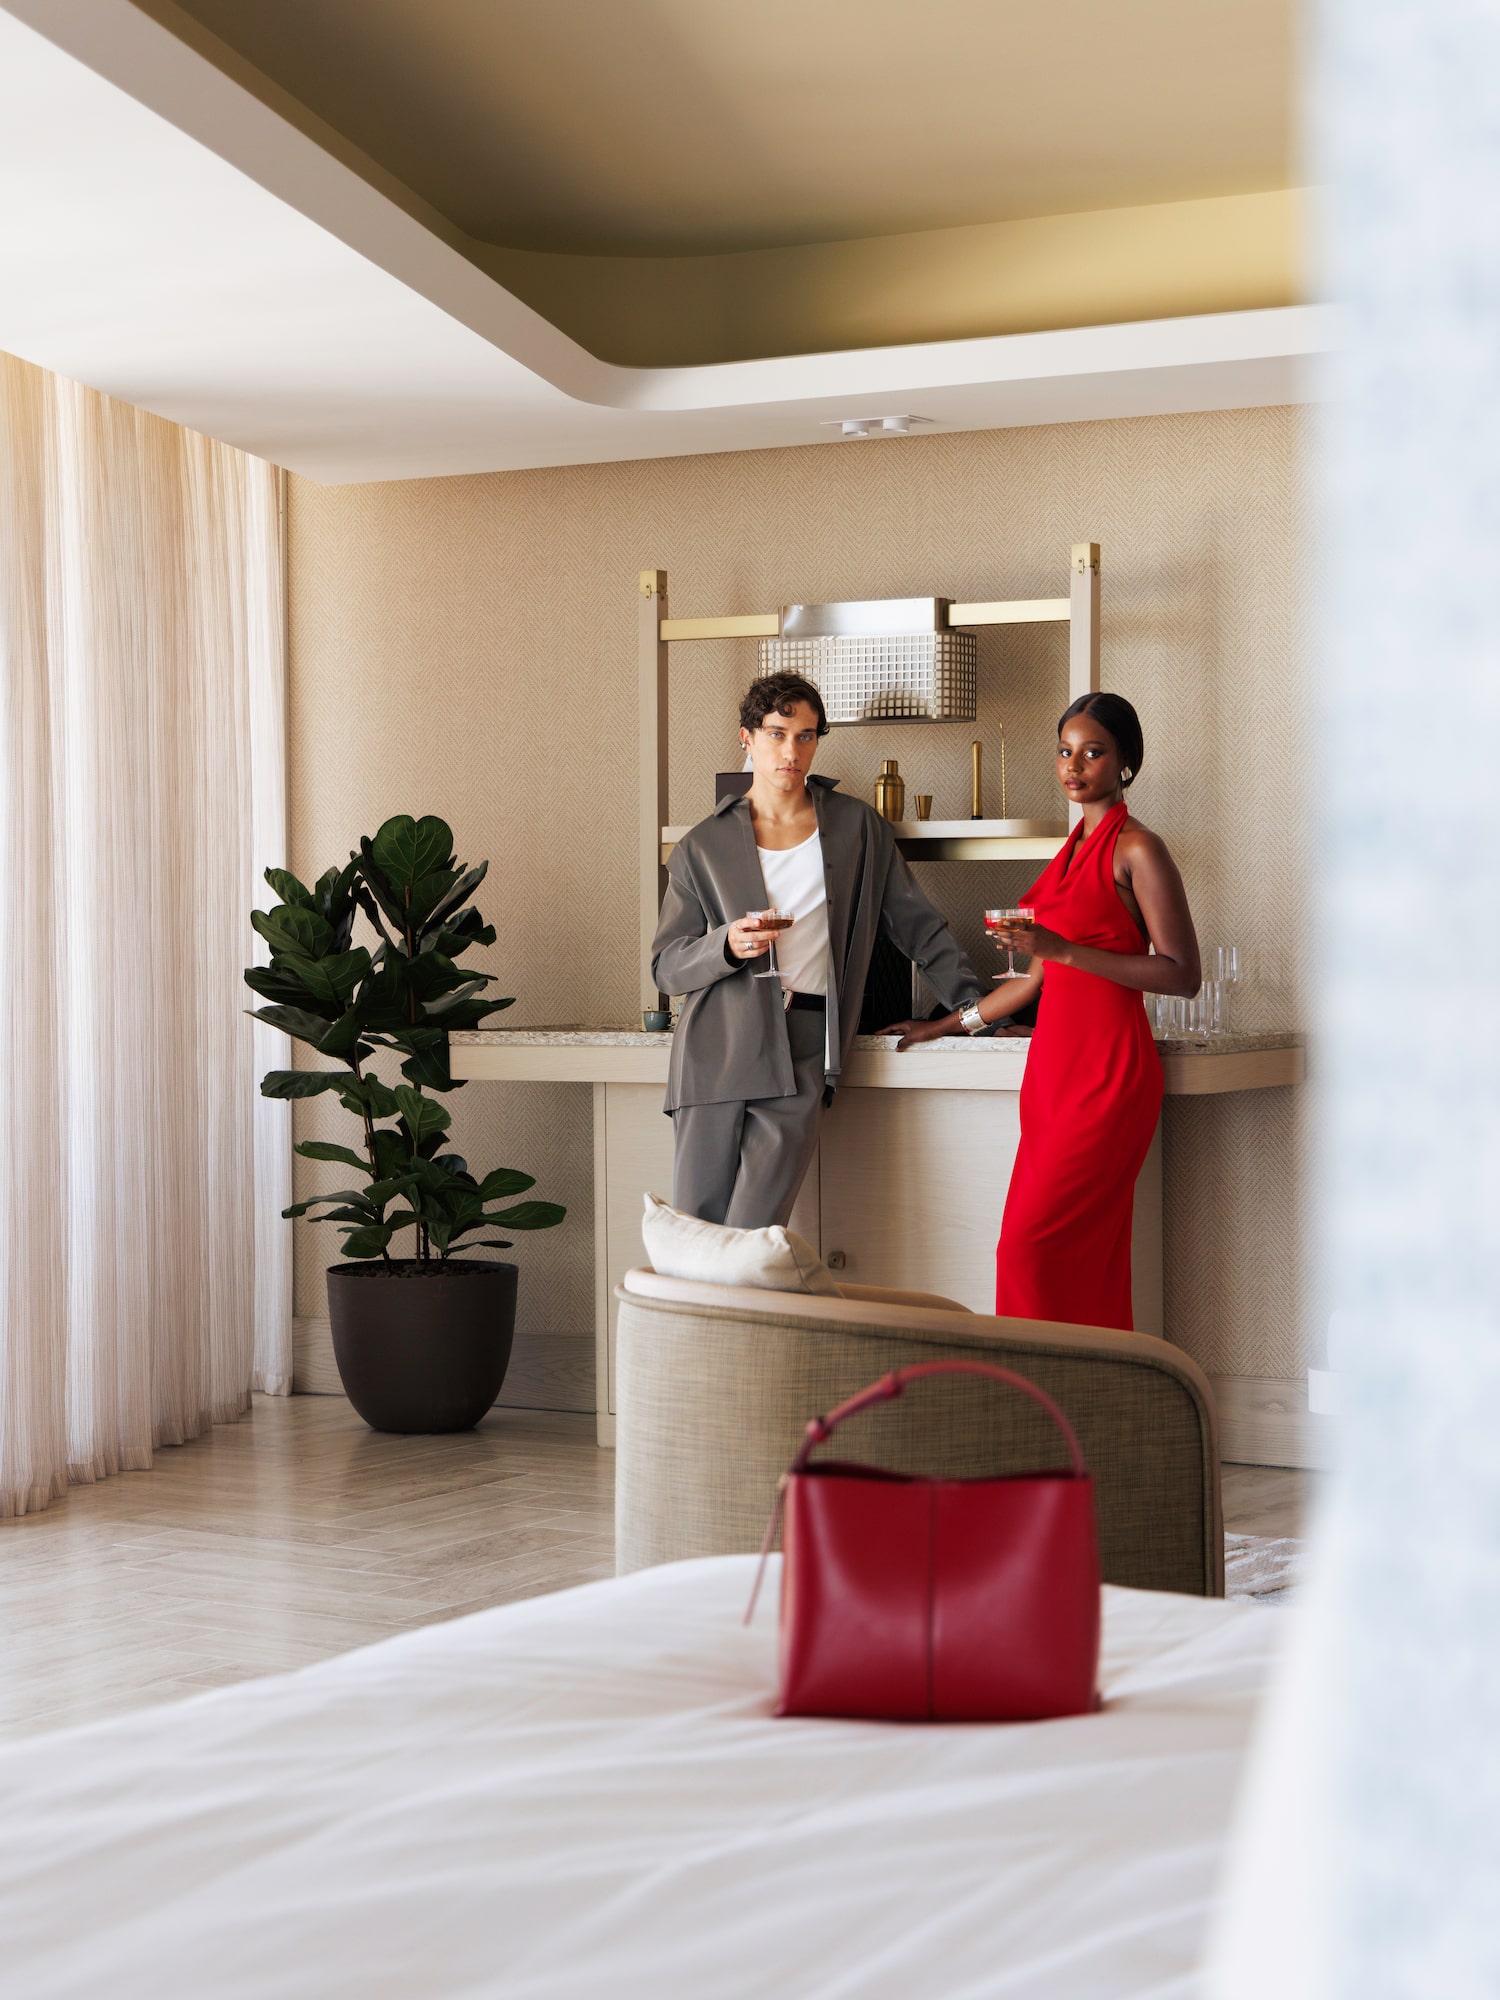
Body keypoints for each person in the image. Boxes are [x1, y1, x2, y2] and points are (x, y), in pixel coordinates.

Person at [884, 692, 1199, 1331]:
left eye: (1093, 751)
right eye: (1064, 751)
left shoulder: (1140, 849)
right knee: (1078, 1260)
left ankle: (1054, 1402)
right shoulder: (1072, 848)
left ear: (1126, 762)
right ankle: (1073, 1412)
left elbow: (1182, 974)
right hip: (1053, 1077)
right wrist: (945, 1024)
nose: (1073, 765)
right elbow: (1032, 983)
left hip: (1109, 1076)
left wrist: (1064, 949)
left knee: (1030, 1251)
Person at [652, 671, 986, 1228]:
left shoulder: (859, 827)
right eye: (778, 733)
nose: (792, 750)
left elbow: (921, 930)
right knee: (693, 1228)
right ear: (747, 737)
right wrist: (728, 945)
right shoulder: (700, 846)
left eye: (806, 736)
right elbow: (666, 967)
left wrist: (979, 1015)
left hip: (805, 1046)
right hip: (716, 1046)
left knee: (756, 1234)